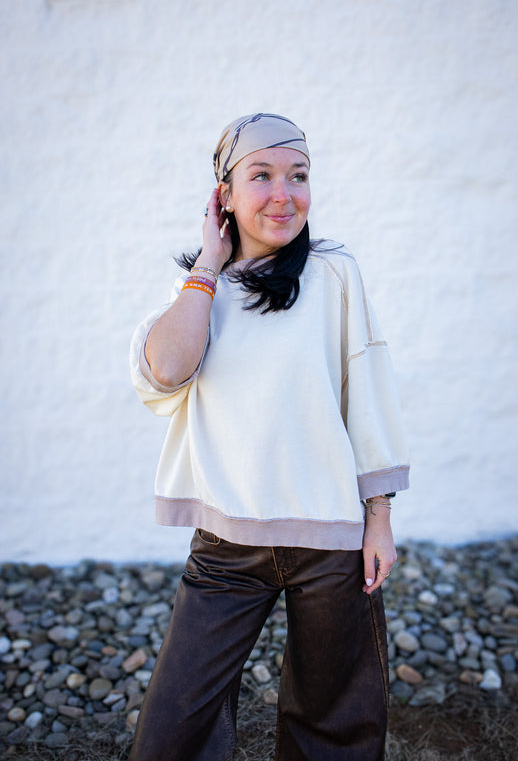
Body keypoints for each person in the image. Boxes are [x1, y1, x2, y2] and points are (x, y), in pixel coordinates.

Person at [128, 112, 409, 761]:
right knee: (174, 728)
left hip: (331, 538)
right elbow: (164, 374)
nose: (284, 194)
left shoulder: (334, 274)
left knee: (332, 722)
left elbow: (365, 397)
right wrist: (208, 264)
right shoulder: (198, 291)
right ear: (223, 194)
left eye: (298, 175)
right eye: (261, 175)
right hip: (227, 548)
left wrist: (379, 520)